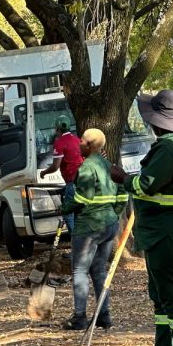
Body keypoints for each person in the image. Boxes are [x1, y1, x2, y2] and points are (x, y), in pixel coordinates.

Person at [110, 90, 173, 346]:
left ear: (157, 122)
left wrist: (123, 178)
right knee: (161, 301)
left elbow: (146, 184)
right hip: (161, 235)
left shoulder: (169, 149)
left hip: (167, 235)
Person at [61, 129, 127, 330]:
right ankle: (103, 315)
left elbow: (83, 198)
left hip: (89, 226)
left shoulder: (87, 167)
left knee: (80, 269)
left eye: (81, 141)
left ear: (89, 145)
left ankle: (80, 317)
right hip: (109, 225)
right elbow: (123, 193)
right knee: (98, 270)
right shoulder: (109, 165)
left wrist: (65, 208)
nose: (78, 144)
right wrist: (114, 214)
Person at [40, 115, 83, 236]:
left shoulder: (60, 142)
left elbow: (55, 166)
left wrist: (44, 173)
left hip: (72, 182)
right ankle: (81, 245)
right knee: (78, 212)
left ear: (57, 129)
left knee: (68, 212)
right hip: (83, 182)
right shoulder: (77, 140)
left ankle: (76, 245)